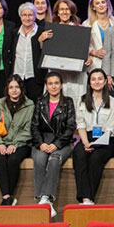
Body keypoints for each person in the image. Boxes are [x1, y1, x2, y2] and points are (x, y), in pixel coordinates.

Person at [31, 72, 75, 217]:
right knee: (39, 159)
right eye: (50, 83)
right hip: (42, 141)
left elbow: (70, 127)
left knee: (54, 159)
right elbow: (35, 126)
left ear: (61, 85)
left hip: (62, 143)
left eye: (56, 83)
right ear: (46, 86)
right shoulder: (40, 101)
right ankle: (44, 200)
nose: (53, 86)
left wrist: (56, 144)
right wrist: (41, 143)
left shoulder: (68, 102)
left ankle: (45, 198)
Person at [73, 68, 114, 205]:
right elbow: (80, 124)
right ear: (89, 82)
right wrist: (86, 142)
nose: (97, 82)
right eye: (93, 79)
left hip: (107, 139)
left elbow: (112, 128)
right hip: (87, 136)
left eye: (100, 79)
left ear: (105, 81)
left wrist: (96, 144)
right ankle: (84, 198)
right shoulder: (82, 100)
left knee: (95, 158)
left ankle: (89, 198)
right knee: (79, 154)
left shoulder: (113, 102)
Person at [0, 75, 34, 205]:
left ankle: (7, 197)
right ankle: (7, 196)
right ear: (7, 89)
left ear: (21, 89)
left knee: (13, 159)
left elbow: (28, 129)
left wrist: (15, 144)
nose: (14, 90)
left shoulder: (29, 105)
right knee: (0, 159)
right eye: (11, 87)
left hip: (20, 144)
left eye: (17, 87)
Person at [42, 0, 86, 101]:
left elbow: (85, 50)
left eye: (67, 9)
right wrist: (41, 40)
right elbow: (45, 50)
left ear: (71, 12)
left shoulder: (80, 29)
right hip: (57, 70)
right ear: (57, 12)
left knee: (75, 98)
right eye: (61, 9)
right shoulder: (51, 29)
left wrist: (88, 57)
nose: (64, 12)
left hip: (75, 73)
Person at [83, 0, 114, 74]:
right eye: (97, 3)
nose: (101, 5)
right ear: (93, 7)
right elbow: (83, 45)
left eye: (103, 2)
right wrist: (94, 52)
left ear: (107, 4)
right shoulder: (87, 24)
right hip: (96, 64)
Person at [13, 2, 41, 100]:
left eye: (30, 15)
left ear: (35, 16)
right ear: (20, 16)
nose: (27, 18)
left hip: (35, 78)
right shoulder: (14, 33)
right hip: (17, 77)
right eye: (24, 15)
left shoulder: (41, 32)